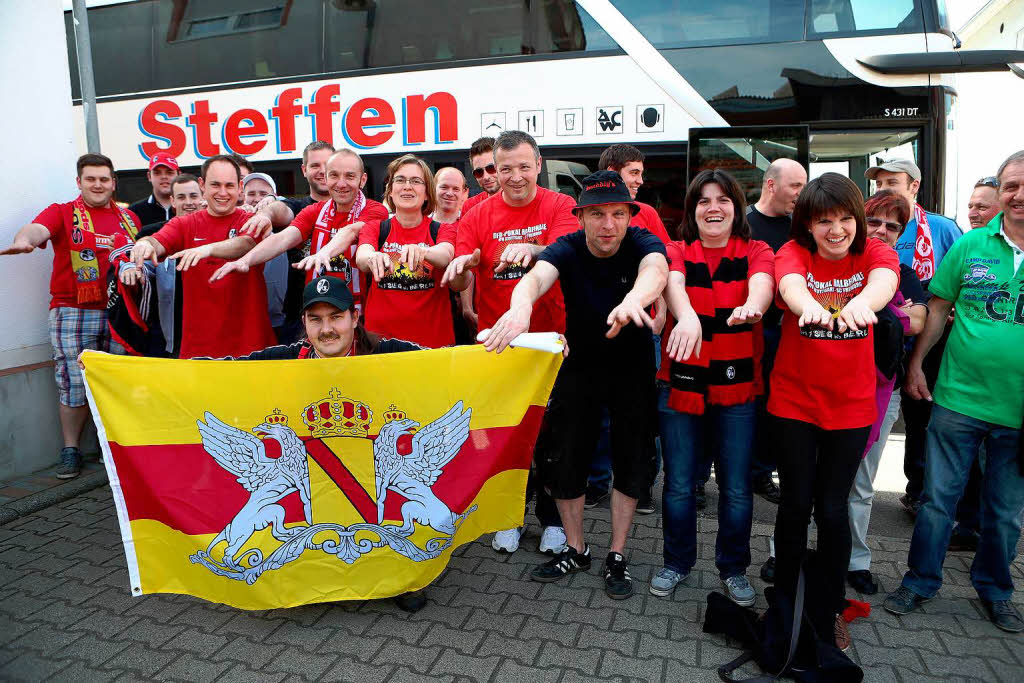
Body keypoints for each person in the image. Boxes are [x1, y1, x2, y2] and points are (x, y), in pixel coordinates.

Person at [483, 170, 668, 599]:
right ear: (580, 216)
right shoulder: (566, 247)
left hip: (632, 367)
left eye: (618, 214)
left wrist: (633, 301)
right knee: (565, 459)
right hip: (579, 365)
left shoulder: (641, 241)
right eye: (598, 214)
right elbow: (534, 278)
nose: (609, 224)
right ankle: (577, 547)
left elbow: (656, 271)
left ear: (629, 215)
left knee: (631, 460)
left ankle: (617, 553)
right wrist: (520, 310)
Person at [884, 151, 1024, 633]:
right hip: (958, 399)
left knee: (1004, 513)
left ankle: (996, 590)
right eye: (1010, 186)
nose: (1017, 195)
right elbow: (938, 309)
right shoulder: (971, 245)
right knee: (937, 502)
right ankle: (920, 581)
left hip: (1018, 411)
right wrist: (917, 365)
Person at [769, 172, 899, 651]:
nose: (837, 229)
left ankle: (826, 608)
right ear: (808, 224)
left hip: (851, 407)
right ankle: (785, 600)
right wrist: (809, 308)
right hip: (794, 402)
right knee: (794, 503)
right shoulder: (794, 253)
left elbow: (884, 282)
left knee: (832, 508)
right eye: (825, 221)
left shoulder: (874, 254)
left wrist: (863, 304)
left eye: (846, 218)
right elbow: (791, 286)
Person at [442, 130, 577, 555]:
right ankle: (509, 515)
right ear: (493, 171)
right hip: (500, 344)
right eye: (505, 169)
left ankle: (553, 519)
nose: (515, 177)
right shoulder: (476, 215)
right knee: (509, 434)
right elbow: (464, 274)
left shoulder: (561, 205)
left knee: (554, 436)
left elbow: (566, 252)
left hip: (553, 341)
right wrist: (461, 267)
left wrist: (533, 247)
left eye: (523, 166)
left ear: (539, 165)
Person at [650, 169, 774, 606]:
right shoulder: (677, 249)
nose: (713, 207)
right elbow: (674, 282)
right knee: (680, 483)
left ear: (737, 208)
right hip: (680, 386)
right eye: (703, 200)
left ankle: (733, 569)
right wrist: (684, 317)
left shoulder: (756, 249)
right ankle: (677, 563)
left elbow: (763, 283)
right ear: (692, 210)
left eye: (722, 199)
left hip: (737, 389)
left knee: (737, 487)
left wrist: (753, 308)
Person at [1, 153, 141, 479]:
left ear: (113, 183)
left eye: (104, 179)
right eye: (91, 178)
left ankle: (115, 449)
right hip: (73, 311)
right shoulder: (62, 213)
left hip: (121, 312)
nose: (98, 184)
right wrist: (23, 241)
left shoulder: (129, 219)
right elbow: (36, 229)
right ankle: (71, 450)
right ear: (79, 182)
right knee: (73, 382)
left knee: (118, 385)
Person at [865, 159, 961, 516]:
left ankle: (918, 490)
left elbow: (957, 283)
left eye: (892, 181)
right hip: (875, 348)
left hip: (923, 342)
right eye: (878, 184)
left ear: (914, 185)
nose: (884, 188)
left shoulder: (940, 228)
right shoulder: (862, 230)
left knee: (920, 419)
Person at [846, 190, 928, 595]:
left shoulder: (905, 271)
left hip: (881, 389)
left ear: (901, 233)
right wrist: (893, 312)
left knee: (861, 482)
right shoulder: (839, 261)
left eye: (892, 225)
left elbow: (917, 321)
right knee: (806, 476)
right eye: (875, 221)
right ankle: (783, 551)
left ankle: (855, 559)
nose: (881, 230)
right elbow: (903, 316)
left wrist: (881, 312)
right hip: (828, 385)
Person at [127, 155, 276, 359]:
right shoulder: (185, 224)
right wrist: (145, 244)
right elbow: (158, 241)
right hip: (200, 350)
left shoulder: (251, 220)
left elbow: (245, 244)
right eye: (215, 185)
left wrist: (206, 249)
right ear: (202, 185)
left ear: (240, 187)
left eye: (229, 185)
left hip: (251, 345)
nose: (222, 193)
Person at [590, 144, 671, 514]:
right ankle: (595, 483)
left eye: (640, 172)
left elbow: (665, 265)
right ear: (612, 171)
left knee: (640, 413)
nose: (641, 180)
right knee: (598, 410)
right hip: (597, 331)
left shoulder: (647, 214)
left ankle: (641, 487)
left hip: (641, 330)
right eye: (634, 173)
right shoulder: (587, 212)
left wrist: (662, 314)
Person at [210, 150, 388, 313]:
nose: (341, 183)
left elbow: (350, 231)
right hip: (319, 308)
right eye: (334, 175)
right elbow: (284, 238)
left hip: (360, 311)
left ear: (362, 180)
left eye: (349, 176)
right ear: (326, 178)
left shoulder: (376, 210)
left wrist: (323, 253)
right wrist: (245, 260)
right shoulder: (315, 211)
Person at [747, 159, 807, 505]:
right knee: (733, 404)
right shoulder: (743, 223)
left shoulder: (797, 229)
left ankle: (761, 473)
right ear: (771, 185)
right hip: (742, 332)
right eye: (795, 186)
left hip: (782, 334)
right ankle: (700, 478)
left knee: (772, 407)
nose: (801, 194)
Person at [348, 154, 456, 348]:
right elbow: (362, 257)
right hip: (380, 346)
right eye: (400, 180)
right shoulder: (375, 228)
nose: (407, 186)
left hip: (433, 346)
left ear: (427, 193)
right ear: (390, 191)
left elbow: (445, 254)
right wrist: (374, 256)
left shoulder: (442, 230)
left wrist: (423, 251)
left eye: (416, 181)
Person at [240, 173, 290, 343]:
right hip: (245, 321)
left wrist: (270, 204)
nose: (257, 199)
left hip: (280, 323)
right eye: (251, 194)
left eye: (263, 194)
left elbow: (284, 205)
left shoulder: (285, 225)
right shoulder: (234, 225)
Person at [129, 153, 179, 226]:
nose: (164, 177)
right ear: (149, 176)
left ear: (179, 175)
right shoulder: (134, 211)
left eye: (169, 172)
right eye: (157, 173)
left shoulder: (187, 207)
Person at [462, 136, 499, 215]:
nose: (486, 177)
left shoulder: (521, 200)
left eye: (491, 168)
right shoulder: (470, 206)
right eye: (479, 172)